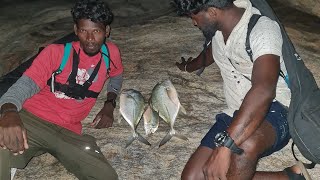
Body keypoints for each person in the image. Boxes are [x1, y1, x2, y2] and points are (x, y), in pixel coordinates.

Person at [173, 0, 311, 179]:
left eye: (195, 17)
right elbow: (208, 55)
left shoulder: (263, 30)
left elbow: (264, 90)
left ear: (213, 12)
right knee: (193, 177)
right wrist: (187, 67)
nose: (194, 23)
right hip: (235, 112)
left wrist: (226, 146)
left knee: (244, 148)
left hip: (276, 110)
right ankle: (288, 177)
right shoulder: (218, 31)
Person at [0, 0, 123, 179]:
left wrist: (110, 104)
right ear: (75, 30)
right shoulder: (55, 52)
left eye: (96, 31)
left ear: (107, 31)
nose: (89, 39)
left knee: (106, 176)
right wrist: (9, 111)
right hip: (32, 120)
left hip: (69, 132)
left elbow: (117, 76)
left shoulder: (111, 53)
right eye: (83, 31)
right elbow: (24, 85)